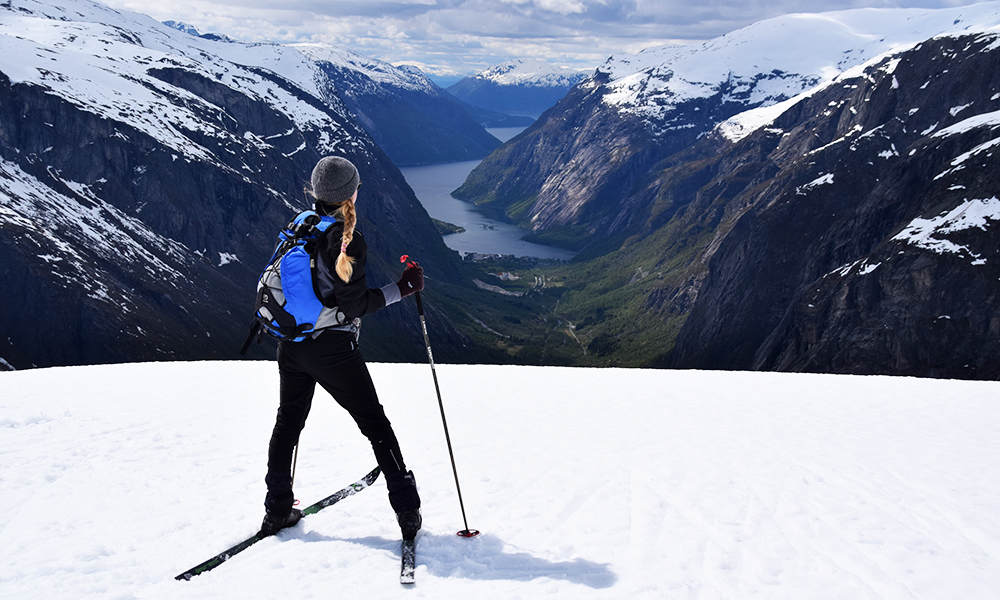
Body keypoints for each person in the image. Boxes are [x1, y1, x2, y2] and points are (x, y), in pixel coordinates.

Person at [259, 156, 424, 541]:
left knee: (288, 424)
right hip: (331, 349)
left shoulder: (301, 223)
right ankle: (408, 513)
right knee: (376, 426)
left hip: (291, 341)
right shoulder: (345, 239)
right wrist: (404, 287)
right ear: (352, 193)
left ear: (316, 193)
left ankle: (276, 510)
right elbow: (354, 304)